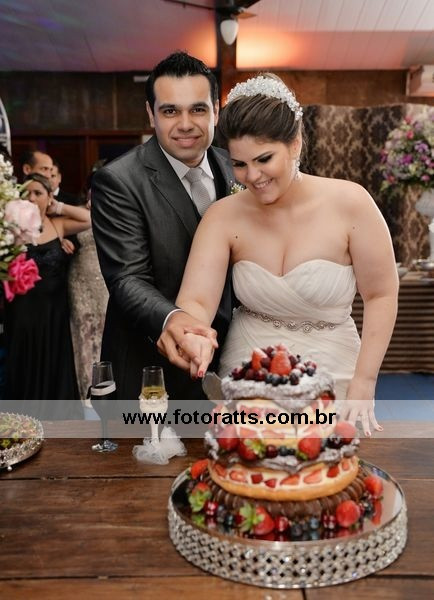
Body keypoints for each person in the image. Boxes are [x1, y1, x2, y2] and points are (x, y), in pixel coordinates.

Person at [168, 74, 399, 436]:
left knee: (327, 462)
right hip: (249, 365)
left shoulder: (351, 203)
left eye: (264, 159)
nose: (252, 176)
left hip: (335, 365)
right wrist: (193, 334)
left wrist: (365, 379)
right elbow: (197, 301)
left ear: (295, 143)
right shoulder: (223, 216)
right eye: (239, 164)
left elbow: (381, 293)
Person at [91, 52, 234, 403]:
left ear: (216, 111)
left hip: (230, 364)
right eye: (170, 111)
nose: (185, 124)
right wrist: (175, 320)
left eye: (198, 109)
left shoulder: (237, 169)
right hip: (151, 369)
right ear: (150, 114)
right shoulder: (119, 180)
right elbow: (127, 279)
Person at [3, 173, 91, 418]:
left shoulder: (58, 224)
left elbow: (89, 218)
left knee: (54, 363)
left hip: (54, 311)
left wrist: (59, 207)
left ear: (49, 197)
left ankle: (58, 423)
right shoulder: (12, 229)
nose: (31, 198)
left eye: (38, 193)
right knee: (25, 364)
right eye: (26, 193)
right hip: (23, 310)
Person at [69, 162, 109, 402]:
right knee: (83, 336)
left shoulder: (114, 207)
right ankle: (86, 397)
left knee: (105, 334)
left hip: (104, 280)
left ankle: (106, 393)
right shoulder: (76, 210)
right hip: (80, 281)